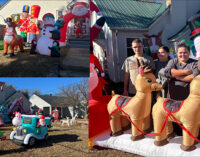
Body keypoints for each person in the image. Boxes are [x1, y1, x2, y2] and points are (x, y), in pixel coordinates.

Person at [164, 42, 200, 136]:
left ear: (189, 52)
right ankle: (177, 132)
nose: (183, 54)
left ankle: (190, 135)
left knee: (189, 117)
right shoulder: (173, 61)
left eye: (185, 52)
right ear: (177, 53)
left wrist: (177, 76)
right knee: (175, 115)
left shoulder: (194, 63)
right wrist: (186, 72)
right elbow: (167, 72)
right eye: (180, 53)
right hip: (174, 96)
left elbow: (194, 77)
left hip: (188, 97)